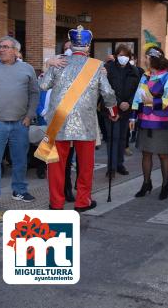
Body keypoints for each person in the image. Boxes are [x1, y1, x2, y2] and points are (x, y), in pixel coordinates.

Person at [39, 26, 118, 212]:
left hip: (58, 121)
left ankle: (56, 204)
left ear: (71, 45)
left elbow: (43, 85)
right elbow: (107, 93)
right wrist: (113, 112)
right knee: (85, 165)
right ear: (88, 46)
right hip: (85, 122)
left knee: (56, 166)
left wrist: (48, 64)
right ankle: (83, 201)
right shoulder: (97, 65)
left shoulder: (59, 62)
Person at [0, 36, 39, 210]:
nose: (1, 49)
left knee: (20, 160)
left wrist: (29, 115)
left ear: (16, 51)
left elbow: (34, 93)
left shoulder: (27, 69)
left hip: (20, 124)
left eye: (6, 47)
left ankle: (19, 190)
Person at [130, 46, 168, 199]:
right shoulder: (145, 76)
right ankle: (146, 183)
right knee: (146, 153)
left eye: (146, 57)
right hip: (145, 121)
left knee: (163, 155)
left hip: (162, 123)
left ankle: (165, 185)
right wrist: (133, 116)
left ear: (153, 59)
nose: (144, 60)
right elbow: (138, 97)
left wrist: (153, 101)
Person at [104, 44, 140, 178]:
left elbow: (138, 90)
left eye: (125, 55)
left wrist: (129, 103)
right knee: (113, 138)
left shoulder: (134, 71)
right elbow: (106, 89)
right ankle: (111, 167)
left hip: (126, 109)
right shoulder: (108, 68)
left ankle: (119, 164)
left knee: (122, 138)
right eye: (120, 55)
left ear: (129, 57)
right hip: (111, 109)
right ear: (116, 56)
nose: (123, 57)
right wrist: (119, 103)